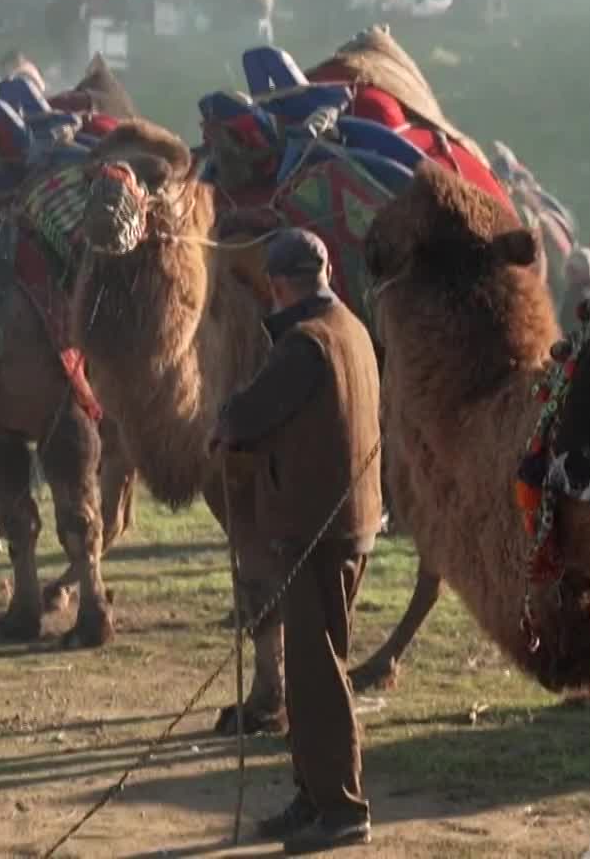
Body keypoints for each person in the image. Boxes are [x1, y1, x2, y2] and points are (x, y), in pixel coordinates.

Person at [210, 229, 381, 853]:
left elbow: (249, 415)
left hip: (314, 531)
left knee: (316, 676)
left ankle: (341, 811)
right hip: (343, 525)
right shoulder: (353, 330)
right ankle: (313, 797)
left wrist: (224, 422)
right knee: (315, 668)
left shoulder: (305, 344)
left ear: (277, 286)